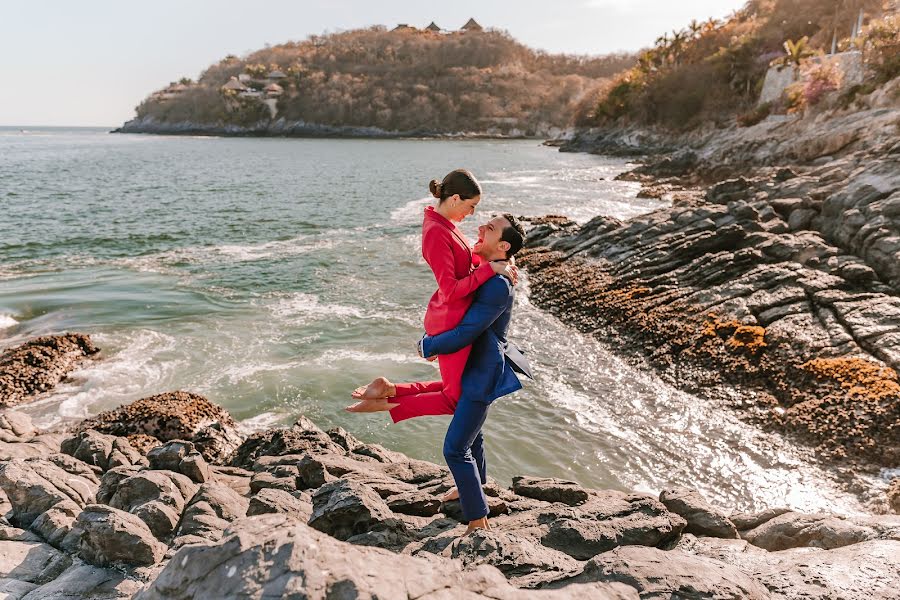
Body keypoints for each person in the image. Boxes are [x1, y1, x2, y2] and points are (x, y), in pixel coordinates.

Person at [346, 169, 516, 422]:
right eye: (471, 206)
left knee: (453, 391)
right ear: (456, 199)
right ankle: (388, 403)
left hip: (454, 314)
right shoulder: (436, 232)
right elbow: (450, 289)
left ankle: (389, 390)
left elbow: (467, 258)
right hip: (452, 317)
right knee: (454, 400)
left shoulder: (447, 225)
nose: (472, 214)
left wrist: (503, 259)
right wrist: (490, 269)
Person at [419, 213, 529, 534]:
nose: (480, 228)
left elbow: (468, 331)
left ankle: (478, 519)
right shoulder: (489, 274)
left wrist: (428, 345)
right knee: (473, 433)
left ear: (504, 245)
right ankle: (477, 485)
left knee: (454, 447)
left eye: (490, 228)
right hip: (472, 369)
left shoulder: (497, 286)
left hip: (482, 374)